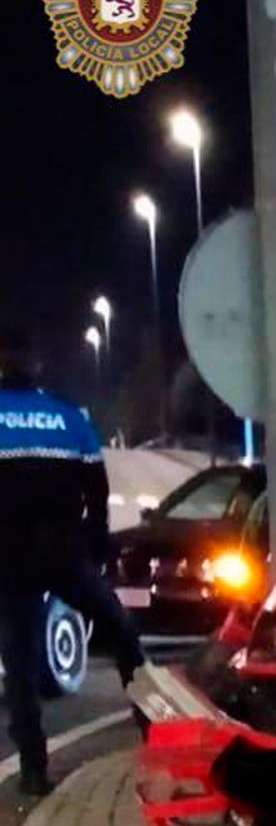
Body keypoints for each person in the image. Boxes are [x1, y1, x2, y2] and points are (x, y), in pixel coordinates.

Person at [0, 327, 145, 795]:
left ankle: (34, 769)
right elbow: (97, 491)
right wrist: (94, 544)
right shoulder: (68, 417)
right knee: (122, 631)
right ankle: (152, 726)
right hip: (64, 553)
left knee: (20, 663)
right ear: (37, 366)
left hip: (10, 559)